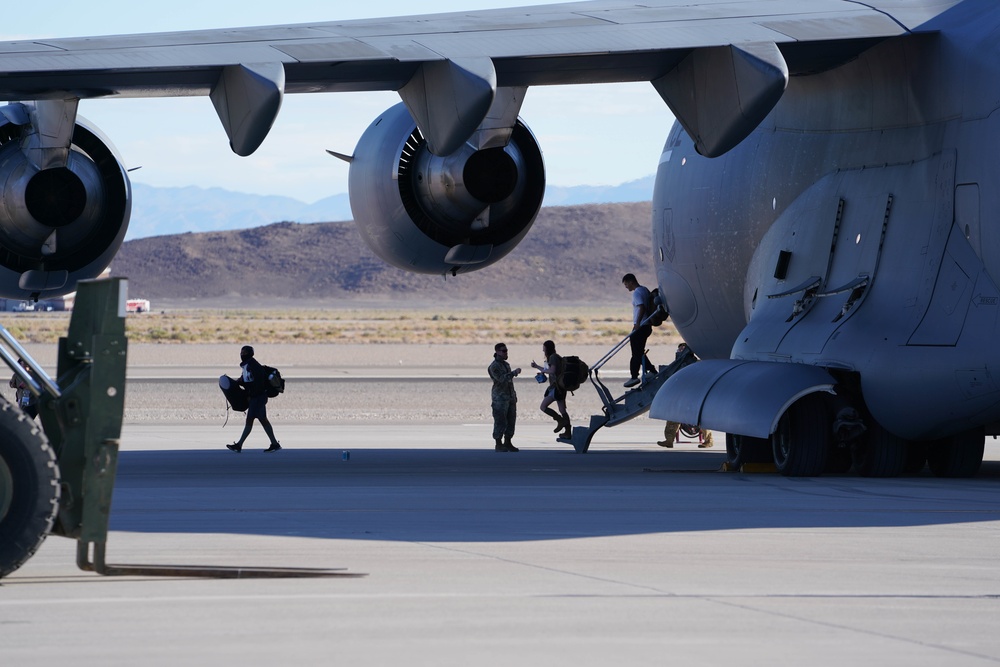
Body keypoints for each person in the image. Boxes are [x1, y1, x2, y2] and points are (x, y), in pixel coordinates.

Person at [226, 345, 282, 453]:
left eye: (244, 353)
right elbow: (247, 380)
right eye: (241, 352)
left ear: (249, 354)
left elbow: (257, 383)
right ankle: (274, 444)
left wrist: (251, 395)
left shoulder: (253, 366)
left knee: (250, 421)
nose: (242, 354)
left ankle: (239, 445)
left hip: (257, 398)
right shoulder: (249, 365)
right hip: (258, 398)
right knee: (263, 420)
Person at [657, 343, 713, 449]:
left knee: (700, 419)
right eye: (679, 350)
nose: (679, 352)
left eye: (681, 349)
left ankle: (709, 440)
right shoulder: (678, 365)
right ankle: (669, 440)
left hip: (694, 396)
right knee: (673, 417)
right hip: (682, 395)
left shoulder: (696, 364)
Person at [531, 339, 571, 439]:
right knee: (562, 410)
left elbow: (552, 370)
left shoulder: (553, 357)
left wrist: (544, 371)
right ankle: (568, 432)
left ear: (547, 348)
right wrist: (537, 367)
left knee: (543, 407)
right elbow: (549, 370)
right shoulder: (555, 357)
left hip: (556, 387)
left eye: (544, 349)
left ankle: (560, 421)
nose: (543, 351)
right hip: (561, 387)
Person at [621, 273, 654, 387]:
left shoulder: (637, 293)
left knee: (636, 352)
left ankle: (634, 377)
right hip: (647, 326)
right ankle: (651, 371)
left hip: (641, 326)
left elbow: (641, 306)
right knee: (639, 351)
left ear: (631, 282)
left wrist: (638, 323)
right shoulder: (644, 290)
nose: (626, 287)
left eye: (626, 284)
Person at [488, 342, 521, 452]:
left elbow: (509, 382)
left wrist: (513, 395)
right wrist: (514, 373)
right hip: (500, 398)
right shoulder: (494, 366)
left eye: (506, 350)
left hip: (509, 397)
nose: (506, 353)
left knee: (511, 420)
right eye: (503, 351)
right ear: (497, 352)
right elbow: (501, 379)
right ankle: (498, 443)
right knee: (500, 421)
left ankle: (508, 442)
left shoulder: (506, 365)